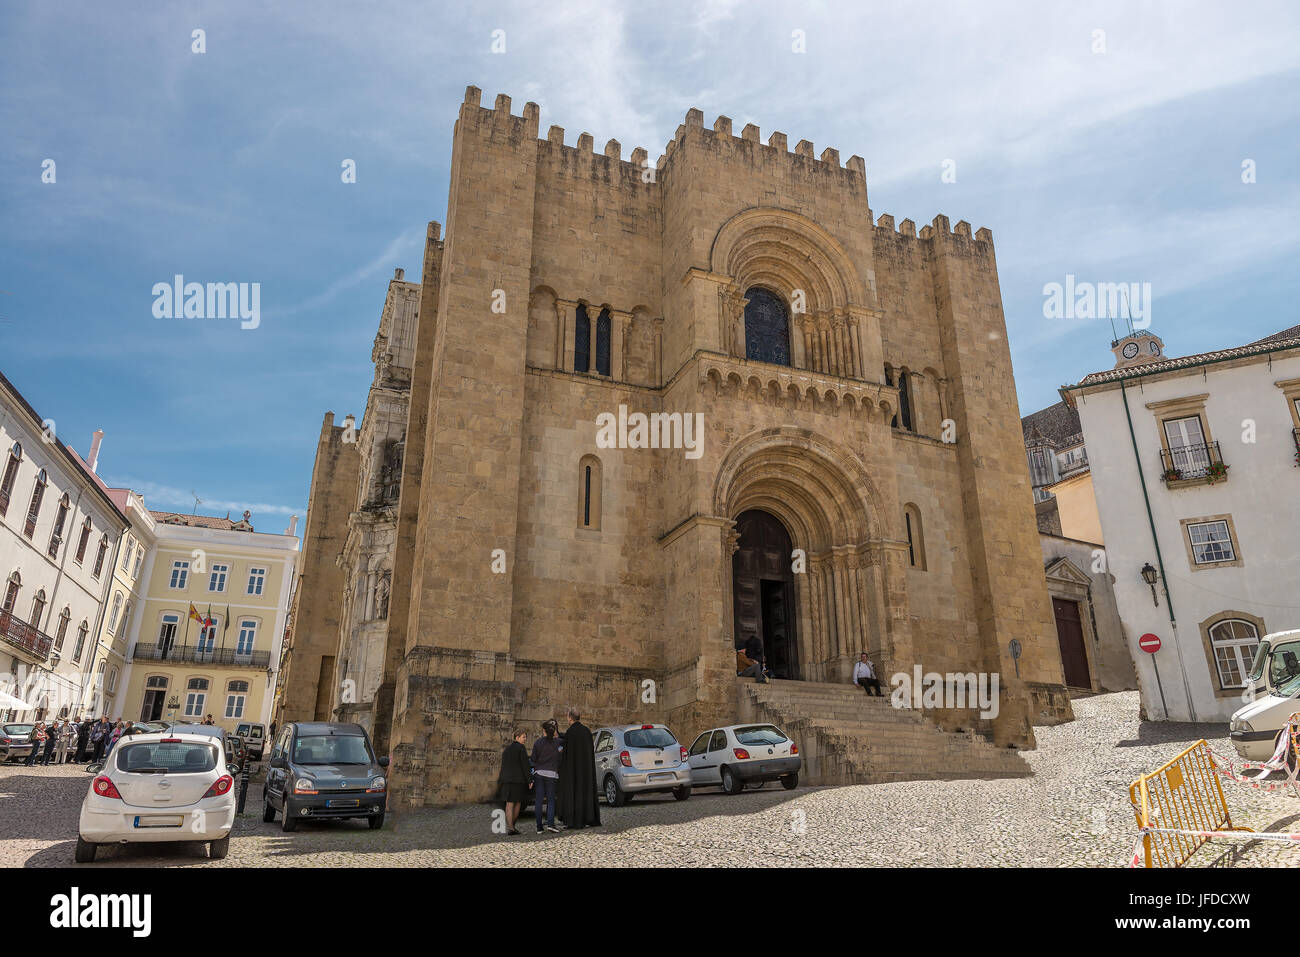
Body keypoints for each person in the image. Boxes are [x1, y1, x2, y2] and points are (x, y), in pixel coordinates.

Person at [556, 707, 600, 829]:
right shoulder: (586, 731)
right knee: (585, 791)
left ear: (570, 718)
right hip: (585, 770)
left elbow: (567, 753)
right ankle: (589, 817)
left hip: (574, 771)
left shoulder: (571, 732)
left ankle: (574, 820)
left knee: (574, 793)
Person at [496, 729, 532, 836]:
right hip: (518, 780)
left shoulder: (507, 749)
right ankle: (512, 827)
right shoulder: (521, 748)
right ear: (517, 737)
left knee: (509, 803)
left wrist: (501, 780)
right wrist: (529, 779)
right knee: (517, 803)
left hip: (506, 780)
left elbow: (503, 766)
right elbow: (525, 765)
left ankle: (510, 826)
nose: (525, 739)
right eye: (523, 737)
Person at [530, 719, 563, 833]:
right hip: (552, 774)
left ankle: (539, 827)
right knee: (551, 800)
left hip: (539, 773)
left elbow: (533, 759)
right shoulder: (559, 743)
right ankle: (550, 824)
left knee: (539, 800)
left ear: (543, 731)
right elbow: (560, 757)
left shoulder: (538, 742)